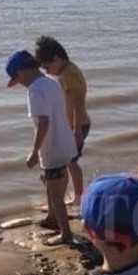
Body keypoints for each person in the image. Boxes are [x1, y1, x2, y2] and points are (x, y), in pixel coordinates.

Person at [6, 50, 77, 246]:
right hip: (65, 142)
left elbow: (43, 123)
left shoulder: (34, 90)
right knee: (53, 181)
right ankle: (52, 218)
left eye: (17, 80)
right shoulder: (51, 82)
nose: (20, 84)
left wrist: (34, 151)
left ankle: (65, 234)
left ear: (20, 73)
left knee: (55, 195)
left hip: (52, 148)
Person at [34, 36, 90, 205]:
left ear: (57, 59)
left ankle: (78, 197)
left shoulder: (69, 75)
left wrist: (76, 129)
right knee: (69, 161)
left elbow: (77, 101)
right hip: (75, 124)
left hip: (78, 124)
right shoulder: (68, 70)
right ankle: (74, 196)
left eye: (47, 67)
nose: (46, 71)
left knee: (70, 162)